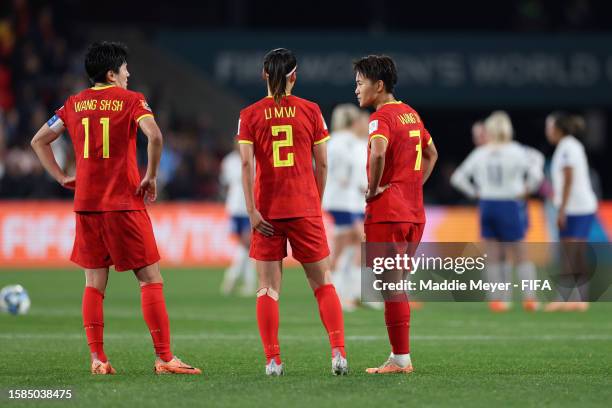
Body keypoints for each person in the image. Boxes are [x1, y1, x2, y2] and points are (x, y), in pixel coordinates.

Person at [30, 42, 201, 375]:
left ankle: (98, 359)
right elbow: (155, 136)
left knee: (94, 283)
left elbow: (38, 141)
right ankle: (165, 358)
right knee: (150, 279)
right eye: (125, 69)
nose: (128, 74)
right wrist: (151, 176)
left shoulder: (73, 104)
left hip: (87, 205)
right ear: (112, 73)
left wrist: (62, 176)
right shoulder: (133, 100)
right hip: (123, 203)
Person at [237, 48, 347, 376]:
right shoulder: (312, 111)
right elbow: (323, 162)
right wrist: (316, 200)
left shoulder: (249, 114)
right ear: (294, 77)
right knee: (322, 281)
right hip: (304, 208)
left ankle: (273, 360)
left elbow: (245, 163)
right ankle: (338, 353)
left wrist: (252, 211)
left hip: (267, 212)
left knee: (267, 287)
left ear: (264, 76)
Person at [354, 55, 438, 374]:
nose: (356, 88)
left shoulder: (382, 117)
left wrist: (375, 189)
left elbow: (378, 151)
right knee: (395, 284)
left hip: (388, 212)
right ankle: (399, 356)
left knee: (390, 286)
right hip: (413, 212)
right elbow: (432, 153)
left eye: (361, 83)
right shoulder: (411, 114)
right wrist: (411, 185)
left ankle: (401, 359)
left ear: (379, 86)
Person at [451, 111, 543, 312]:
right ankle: (530, 298)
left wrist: (475, 192)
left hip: (487, 204)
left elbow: (457, 177)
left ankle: (499, 299)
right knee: (520, 253)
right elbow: (536, 173)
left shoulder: (481, 152)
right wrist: (527, 189)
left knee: (493, 253)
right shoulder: (517, 150)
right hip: (509, 203)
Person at [545, 112, 597, 312]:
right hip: (578, 207)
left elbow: (568, 178)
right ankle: (580, 298)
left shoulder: (568, 147)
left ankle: (564, 297)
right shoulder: (568, 146)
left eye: (549, 127)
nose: (547, 131)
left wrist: (562, 209)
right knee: (575, 254)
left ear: (558, 129)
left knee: (569, 253)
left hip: (577, 208)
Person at [323, 103, 362, 311]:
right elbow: (351, 169)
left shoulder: (333, 141)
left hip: (338, 199)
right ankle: (336, 294)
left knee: (352, 243)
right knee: (342, 246)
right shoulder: (347, 142)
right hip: (343, 200)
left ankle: (346, 293)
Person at [219, 145, 256, 296]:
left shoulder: (254, 158)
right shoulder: (228, 161)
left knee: (246, 243)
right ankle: (248, 284)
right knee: (246, 245)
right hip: (235, 207)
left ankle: (232, 278)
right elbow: (226, 185)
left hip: (250, 207)